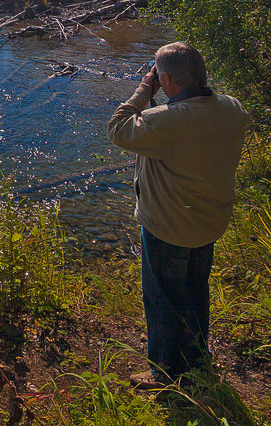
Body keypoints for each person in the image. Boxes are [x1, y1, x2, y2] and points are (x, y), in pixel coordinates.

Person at [107, 42, 250, 388]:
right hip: (209, 220)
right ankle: (199, 359)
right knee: (195, 290)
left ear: (166, 78)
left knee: (163, 298)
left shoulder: (168, 122)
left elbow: (117, 127)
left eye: (159, 75)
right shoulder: (233, 109)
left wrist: (145, 88)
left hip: (168, 227)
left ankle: (165, 372)